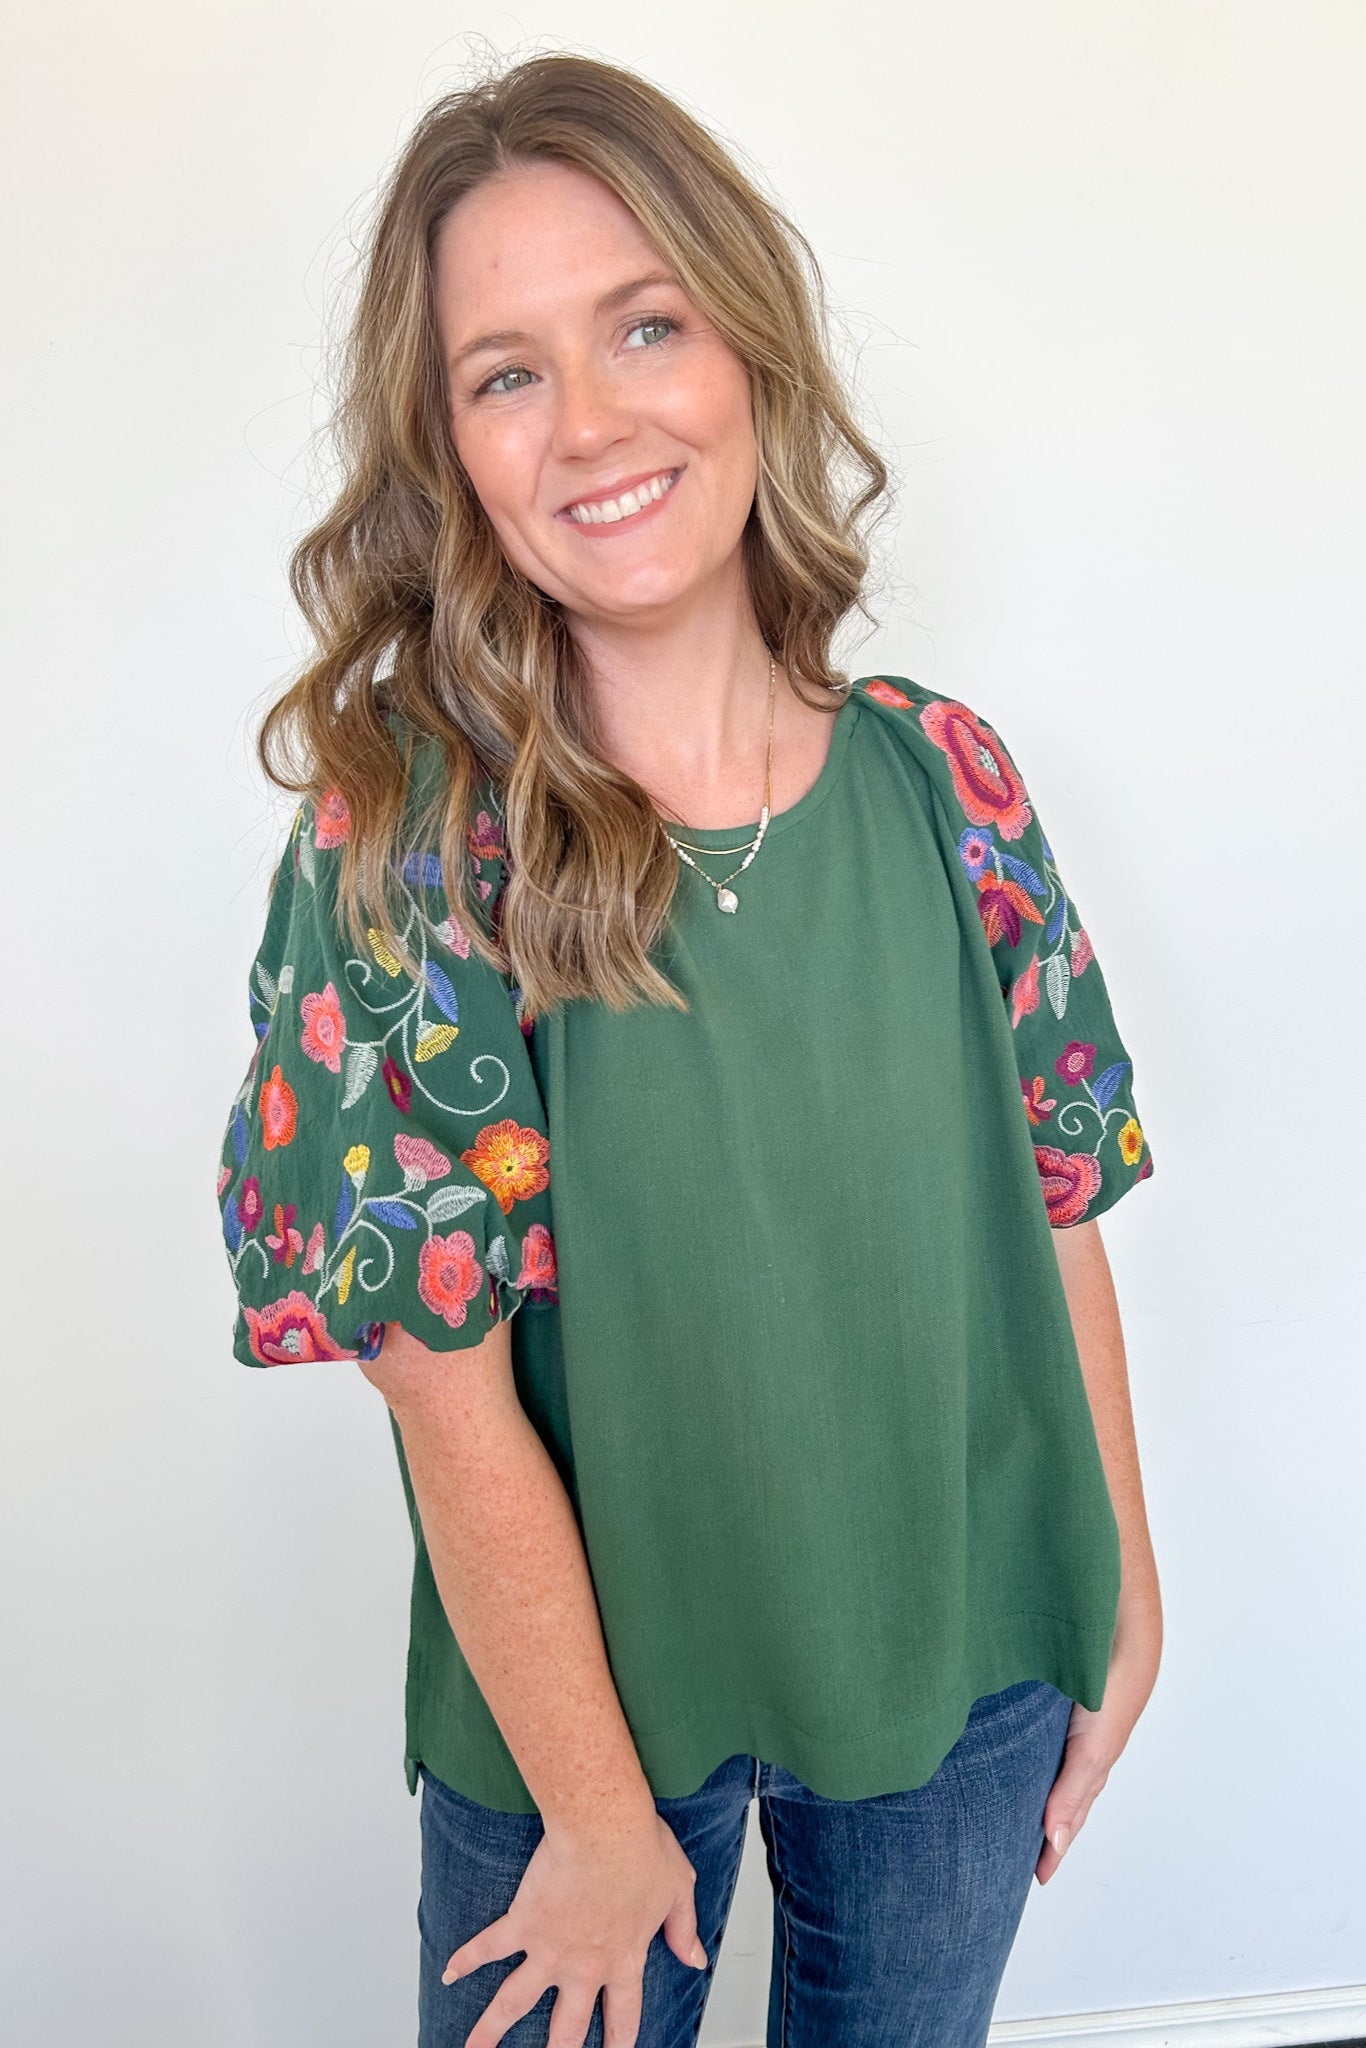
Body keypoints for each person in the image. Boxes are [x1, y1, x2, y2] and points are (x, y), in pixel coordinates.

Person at [215, 49, 1162, 2048]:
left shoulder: (946, 783)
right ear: (447, 446)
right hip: (576, 1737)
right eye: (505, 370)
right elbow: (436, 1376)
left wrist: (1118, 1589)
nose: (591, 420)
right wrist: (591, 1812)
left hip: (958, 1654)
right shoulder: (413, 838)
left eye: (641, 323)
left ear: (742, 343)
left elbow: (1056, 1218)